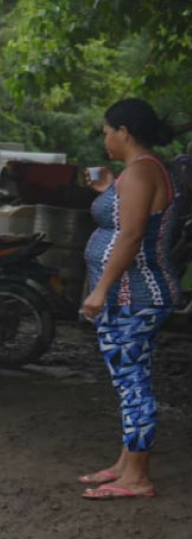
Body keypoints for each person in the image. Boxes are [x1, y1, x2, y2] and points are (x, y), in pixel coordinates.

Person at [79, 98, 180, 500]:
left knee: (133, 384)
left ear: (124, 131)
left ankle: (137, 477)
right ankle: (126, 464)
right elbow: (127, 217)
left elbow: (131, 235)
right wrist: (108, 188)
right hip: (135, 295)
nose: (105, 139)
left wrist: (101, 289)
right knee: (130, 380)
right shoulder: (137, 173)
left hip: (133, 296)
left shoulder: (141, 173)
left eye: (107, 131)